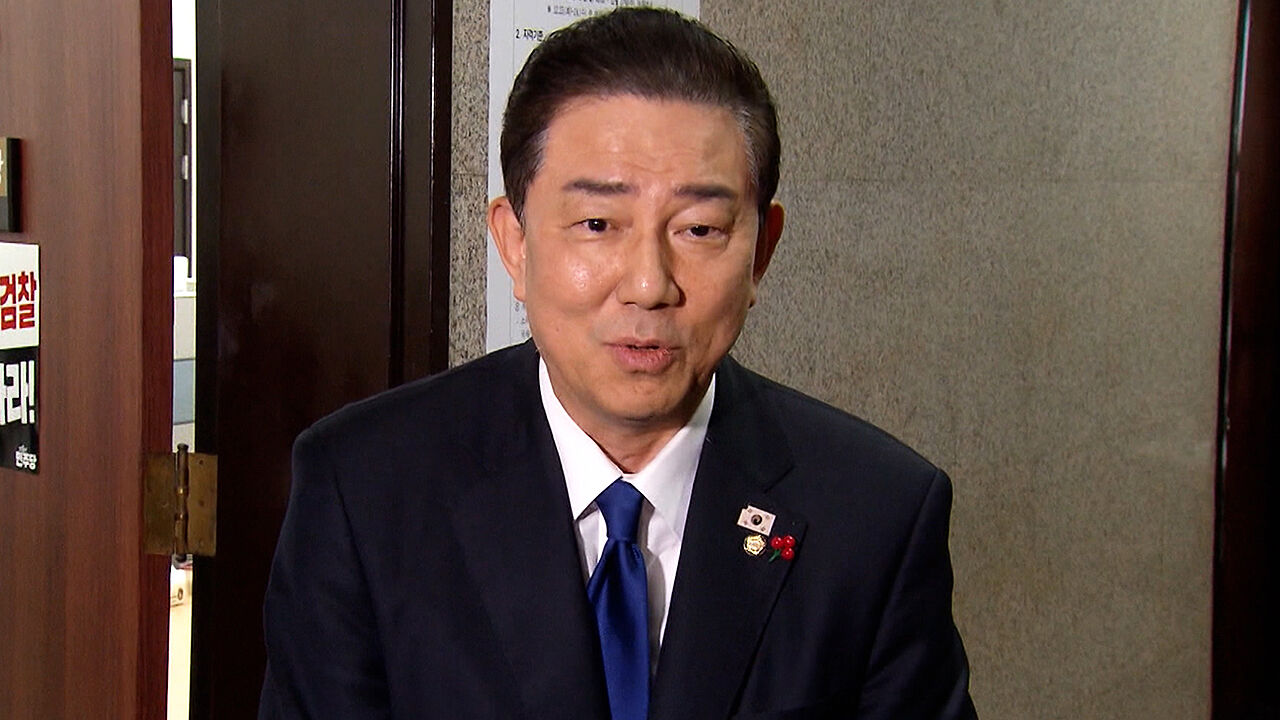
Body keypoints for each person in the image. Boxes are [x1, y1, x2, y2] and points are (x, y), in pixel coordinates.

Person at [259, 8, 976, 720]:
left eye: (700, 229)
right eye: (598, 224)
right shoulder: (365, 491)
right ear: (514, 243)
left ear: (761, 251)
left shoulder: (875, 514)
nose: (649, 284)